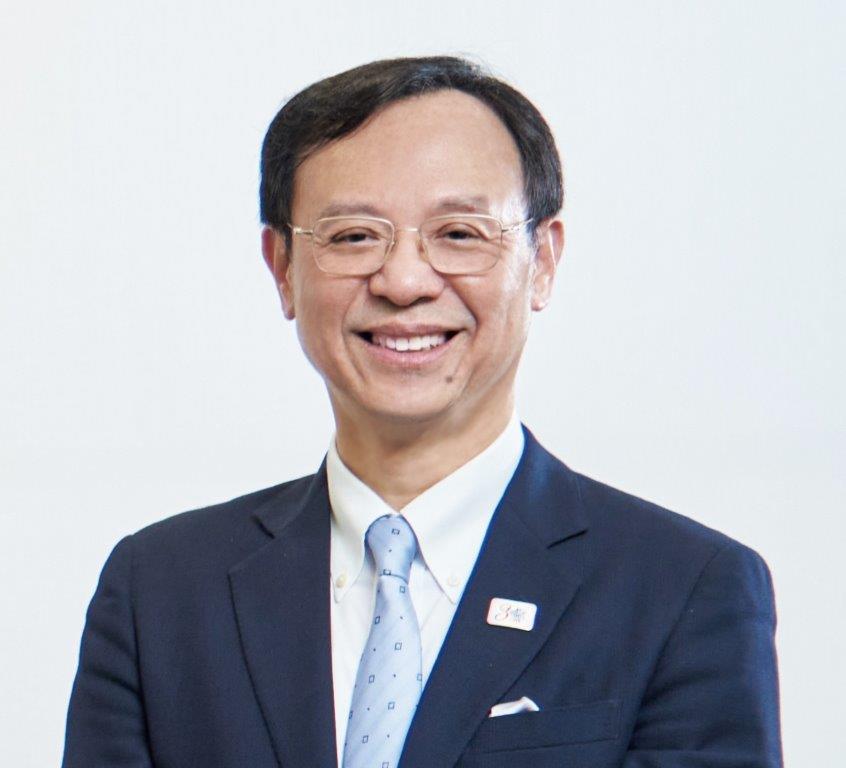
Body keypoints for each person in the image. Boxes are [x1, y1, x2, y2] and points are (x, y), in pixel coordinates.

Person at [62, 56, 783, 768]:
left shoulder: (682, 590)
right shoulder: (161, 592)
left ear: (543, 261)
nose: (403, 281)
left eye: (459, 234)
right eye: (353, 236)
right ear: (282, 268)